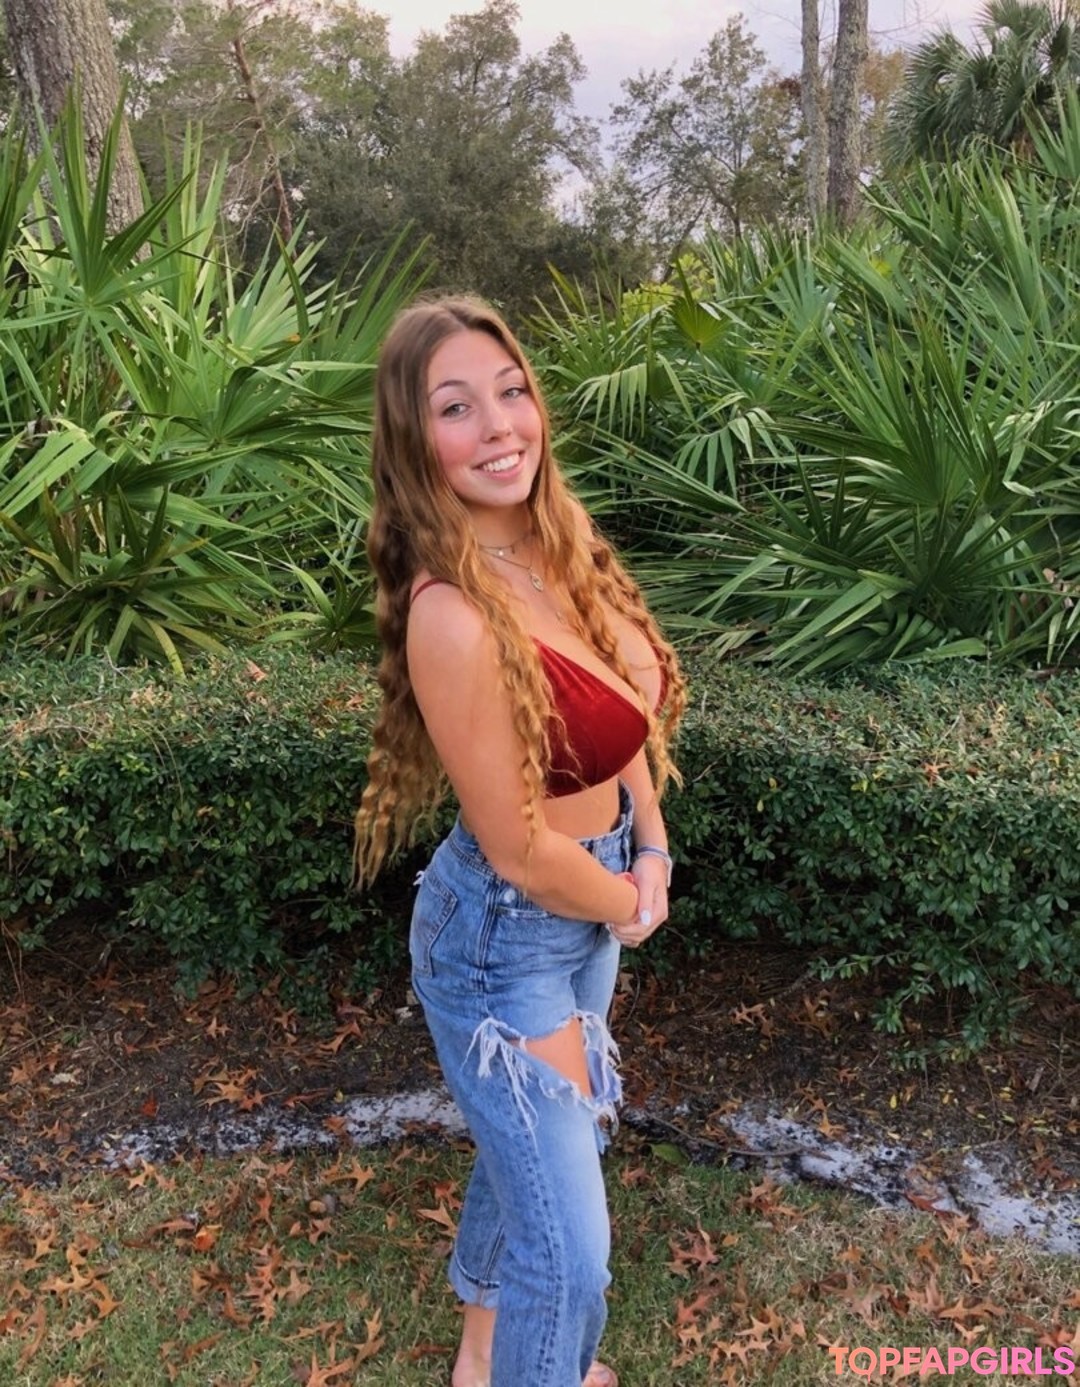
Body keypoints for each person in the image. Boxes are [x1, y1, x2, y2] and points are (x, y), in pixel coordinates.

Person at [354, 295, 685, 1387]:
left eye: (511, 392)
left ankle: (481, 1354)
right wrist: (626, 904)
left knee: (536, 1162)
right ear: (415, 441)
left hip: (593, 899)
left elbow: (624, 714)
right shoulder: (452, 614)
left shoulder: (560, 542)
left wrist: (650, 848)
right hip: (505, 941)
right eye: (457, 407)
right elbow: (520, 850)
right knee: (572, 1255)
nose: (499, 425)